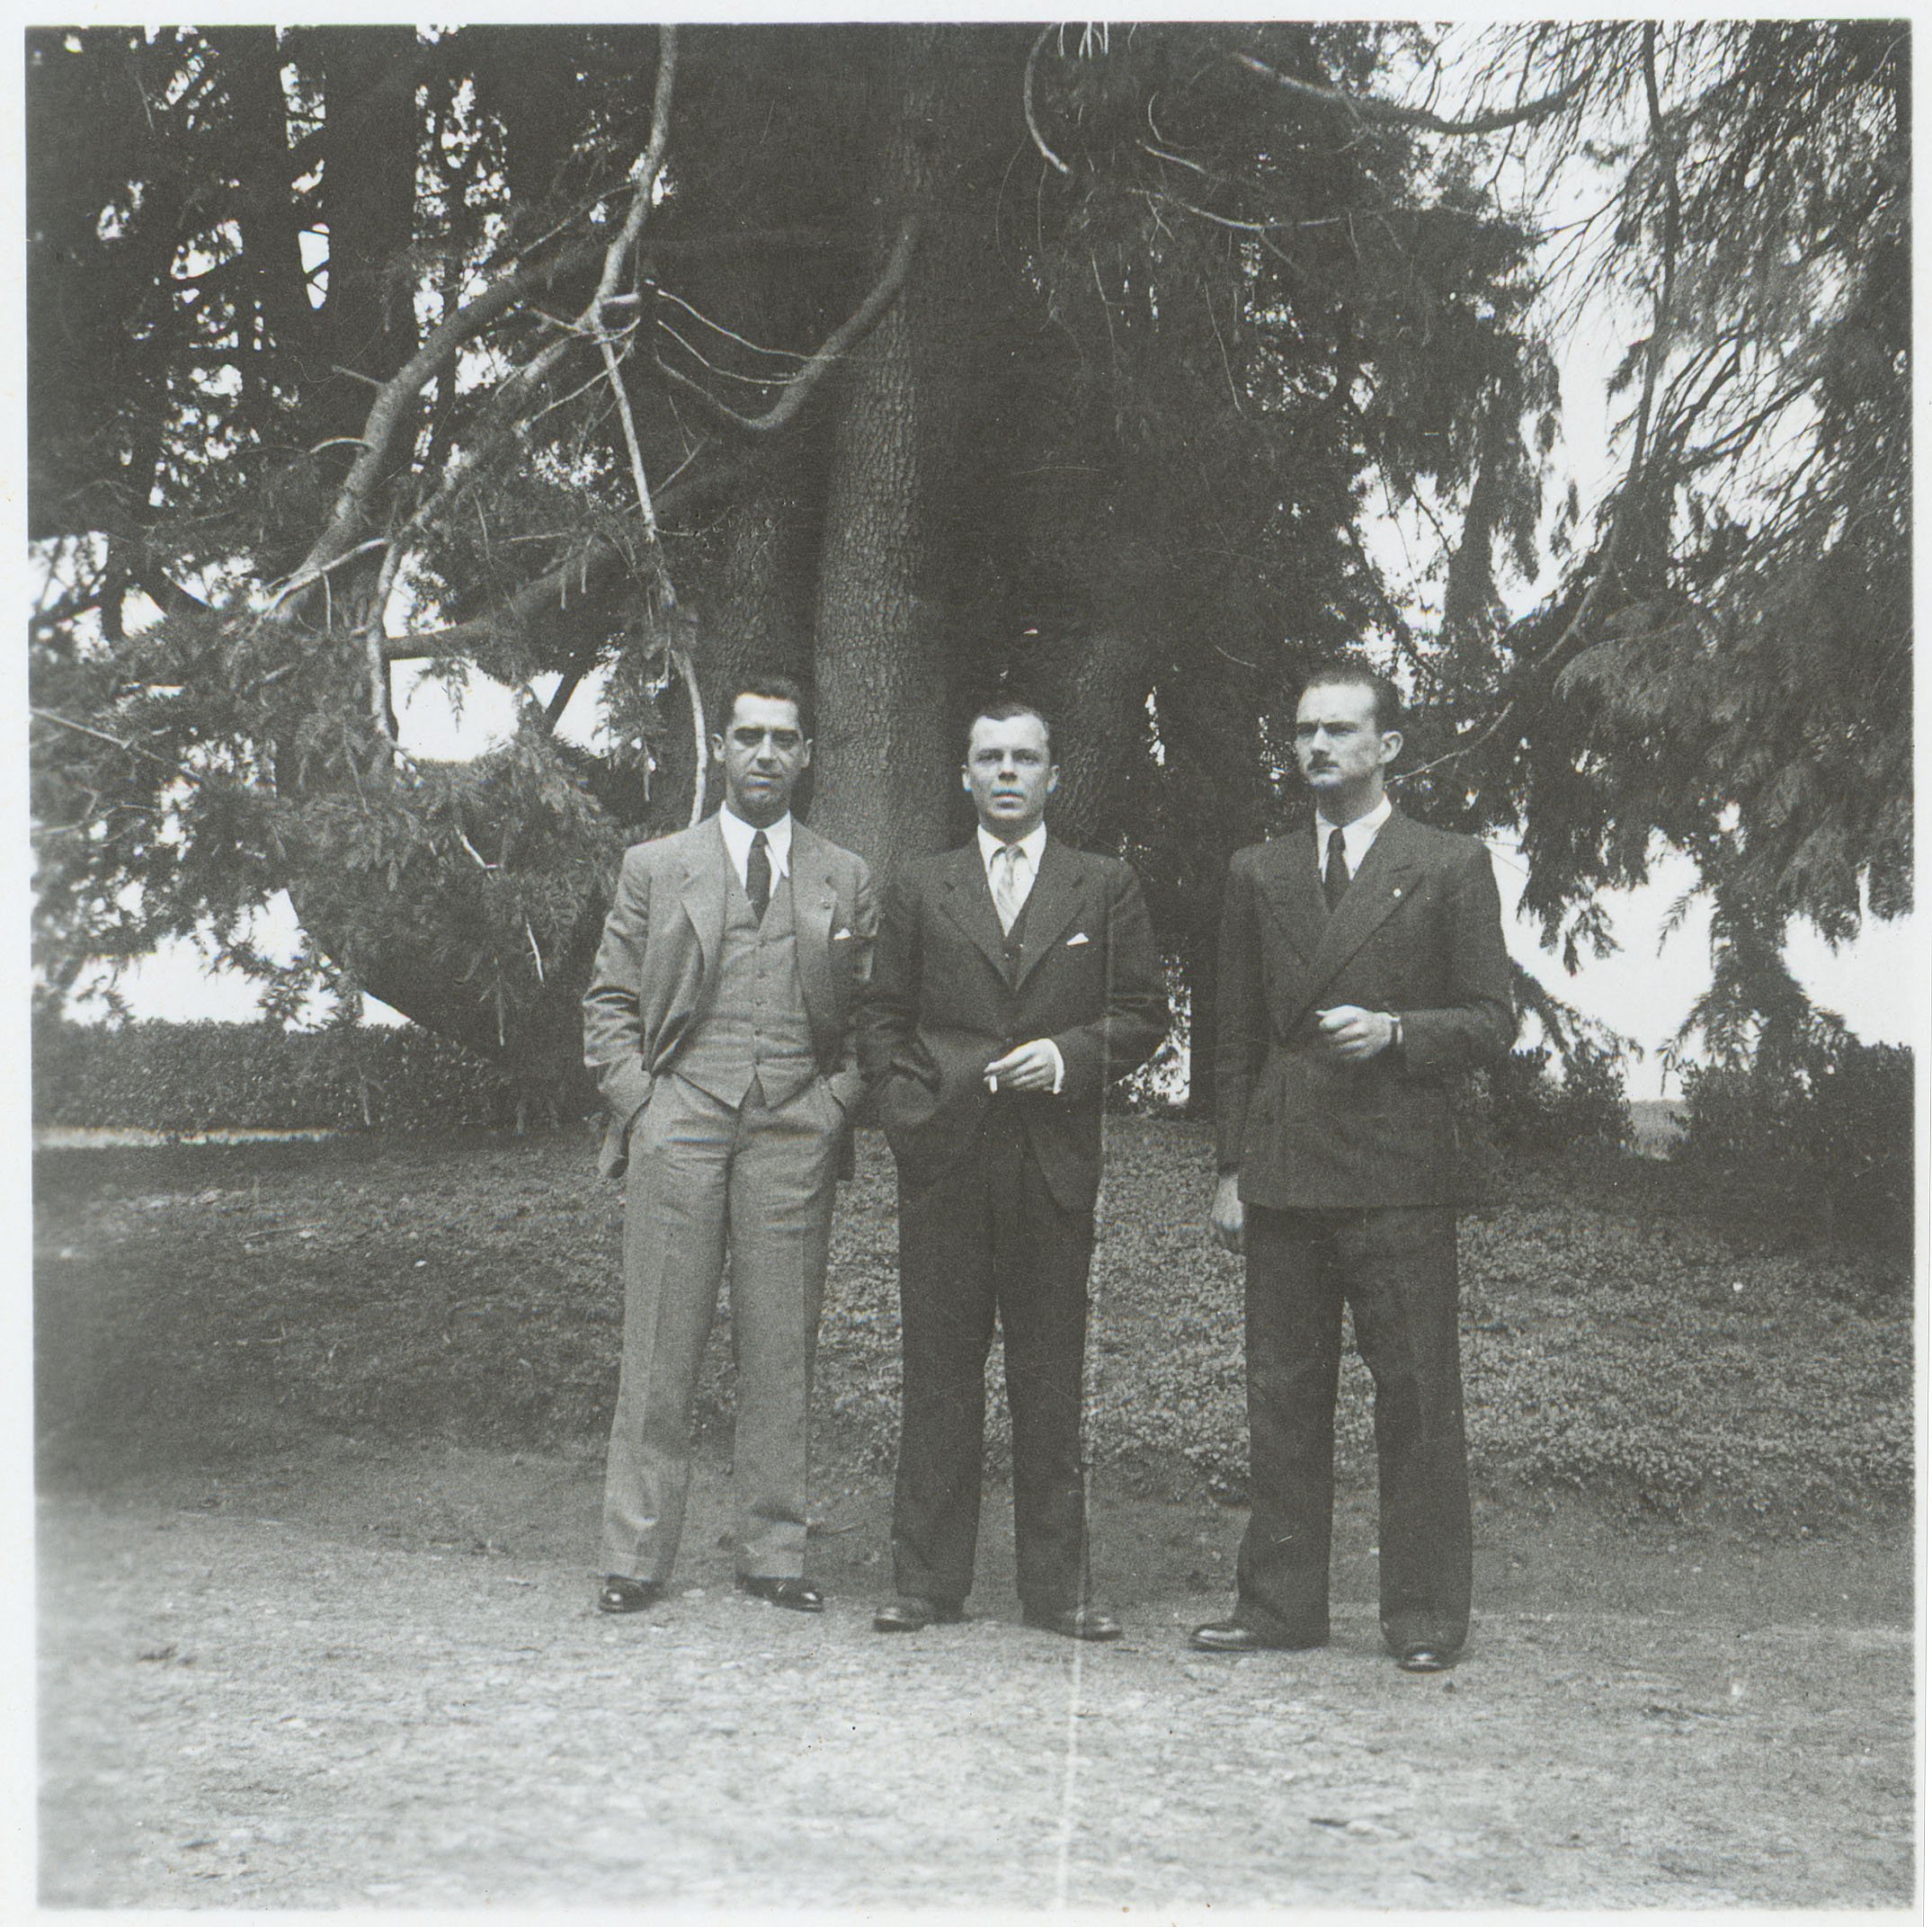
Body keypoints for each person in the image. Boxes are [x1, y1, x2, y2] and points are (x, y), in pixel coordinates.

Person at [1194, 662, 1514, 1673]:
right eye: (1303, 731)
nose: (1317, 747)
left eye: (1339, 729)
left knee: (1415, 1393)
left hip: (1399, 1167)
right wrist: (1231, 1167)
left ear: (1390, 745)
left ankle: (1423, 1614)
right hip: (1287, 1163)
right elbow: (1234, 1037)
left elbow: (1491, 1019)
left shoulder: (1449, 863)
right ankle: (1281, 1603)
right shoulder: (1259, 870)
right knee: (1282, 1390)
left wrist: (1392, 1030)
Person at [859, 699, 1166, 1640]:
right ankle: (925, 1582)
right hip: (945, 1159)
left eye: (1023, 758)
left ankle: (1057, 1589)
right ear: (962, 773)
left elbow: (1141, 1012)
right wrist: (913, 1116)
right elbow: (881, 1020)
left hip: (1050, 1161)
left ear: (1052, 776)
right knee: (939, 1372)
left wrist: (1067, 1057)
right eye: (988, 756)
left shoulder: (1102, 884)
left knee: (1050, 1374)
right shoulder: (919, 885)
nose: (1005, 773)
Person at [582, 674, 875, 1616]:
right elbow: (608, 1003)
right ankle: (634, 1555)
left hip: (795, 1118)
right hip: (684, 1115)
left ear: (806, 755)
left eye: (782, 738)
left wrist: (836, 1100)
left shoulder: (843, 874)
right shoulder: (657, 864)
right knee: (660, 1341)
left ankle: (773, 1553)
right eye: (747, 735)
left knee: (781, 1344)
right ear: (722, 750)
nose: (763, 753)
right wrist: (644, 1104)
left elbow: (873, 1012)